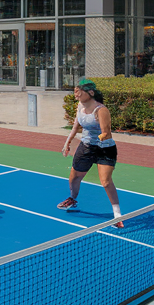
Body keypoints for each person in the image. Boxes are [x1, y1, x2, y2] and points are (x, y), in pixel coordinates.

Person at [59, 80, 123, 227]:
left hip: (104, 149)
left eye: (78, 91)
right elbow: (76, 127)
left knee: (106, 181)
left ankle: (117, 216)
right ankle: (72, 199)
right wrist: (67, 143)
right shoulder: (80, 107)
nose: (76, 94)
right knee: (74, 178)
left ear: (91, 93)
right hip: (86, 147)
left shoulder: (101, 110)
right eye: (75, 91)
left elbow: (106, 132)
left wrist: (98, 139)